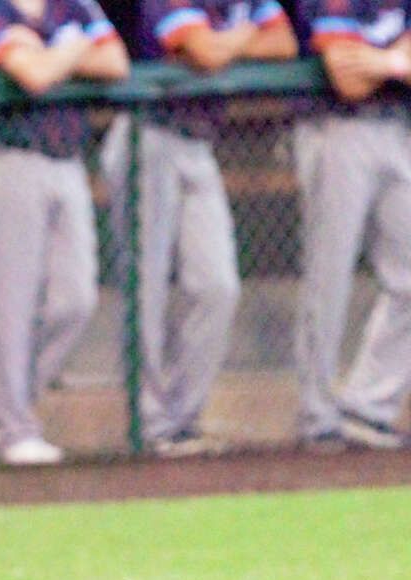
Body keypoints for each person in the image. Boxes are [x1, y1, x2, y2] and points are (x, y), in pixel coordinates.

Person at [101, 0, 296, 456]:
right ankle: (149, 424)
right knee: (145, 289)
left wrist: (227, 44)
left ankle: (181, 420)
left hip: (198, 143)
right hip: (147, 134)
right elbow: (205, 54)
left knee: (217, 286)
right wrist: (244, 38)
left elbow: (285, 43)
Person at [0, 0, 128, 465]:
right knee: (14, 306)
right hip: (10, 157)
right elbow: (33, 76)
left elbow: (116, 62)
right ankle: (16, 430)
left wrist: (59, 50)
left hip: (67, 160)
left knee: (77, 299)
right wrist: (74, 50)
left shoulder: (75, 6)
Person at [294, 0, 411, 451]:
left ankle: (369, 406)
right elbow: (349, 81)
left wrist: (384, 62)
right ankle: (317, 415)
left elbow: (371, 69)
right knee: (329, 279)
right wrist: (398, 60)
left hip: (395, 129)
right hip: (337, 131)